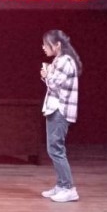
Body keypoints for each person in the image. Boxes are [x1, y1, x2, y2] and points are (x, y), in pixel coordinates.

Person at [39, 30, 81, 203]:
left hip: (60, 109)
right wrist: (48, 74)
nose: (43, 47)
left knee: (56, 149)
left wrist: (46, 74)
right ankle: (61, 185)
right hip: (54, 108)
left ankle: (68, 188)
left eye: (46, 44)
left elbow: (54, 84)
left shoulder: (65, 61)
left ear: (57, 45)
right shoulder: (59, 59)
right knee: (54, 148)